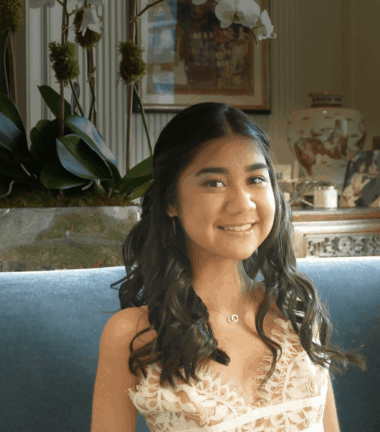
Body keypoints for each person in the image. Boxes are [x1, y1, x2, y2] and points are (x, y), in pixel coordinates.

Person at [91, 103, 365, 432]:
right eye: (214, 183)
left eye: (255, 179)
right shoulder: (132, 333)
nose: (242, 203)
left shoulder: (295, 308)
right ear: (170, 201)